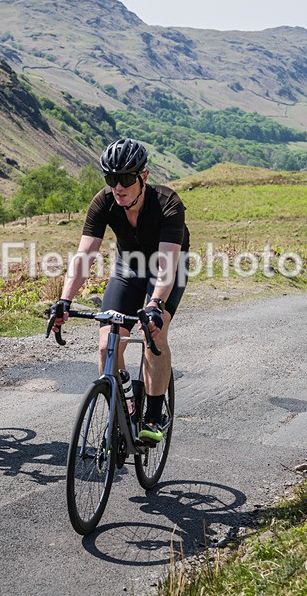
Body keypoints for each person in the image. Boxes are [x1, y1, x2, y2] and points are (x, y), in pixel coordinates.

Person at [50, 138, 190, 444]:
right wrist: (64, 300)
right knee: (106, 344)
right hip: (129, 266)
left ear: (144, 176)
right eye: (111, 179)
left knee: (156, 330)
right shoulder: (103, 202)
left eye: (125, 179)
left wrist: (155, 304)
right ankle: (121, 404)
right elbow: (84, 255)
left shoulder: (168, 203)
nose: (118, 187)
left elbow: (166, 268)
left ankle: (153, 414)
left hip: (167, 265)